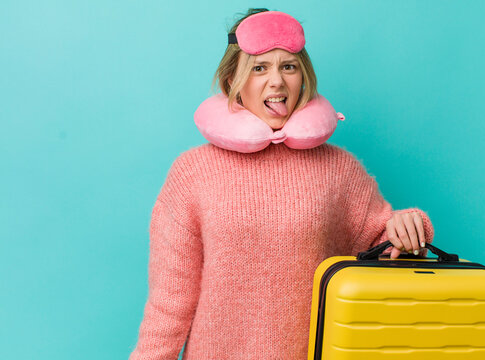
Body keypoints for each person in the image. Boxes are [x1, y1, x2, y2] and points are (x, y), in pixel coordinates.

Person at [130, 8, 434, 360]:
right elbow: (169, 303)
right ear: (233, 82)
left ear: (302, 78)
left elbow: (384, 253)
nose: (276, 81)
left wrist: (410, 227)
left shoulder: (338, 169)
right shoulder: (192, 173)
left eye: (288, 66)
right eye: (259, 68)